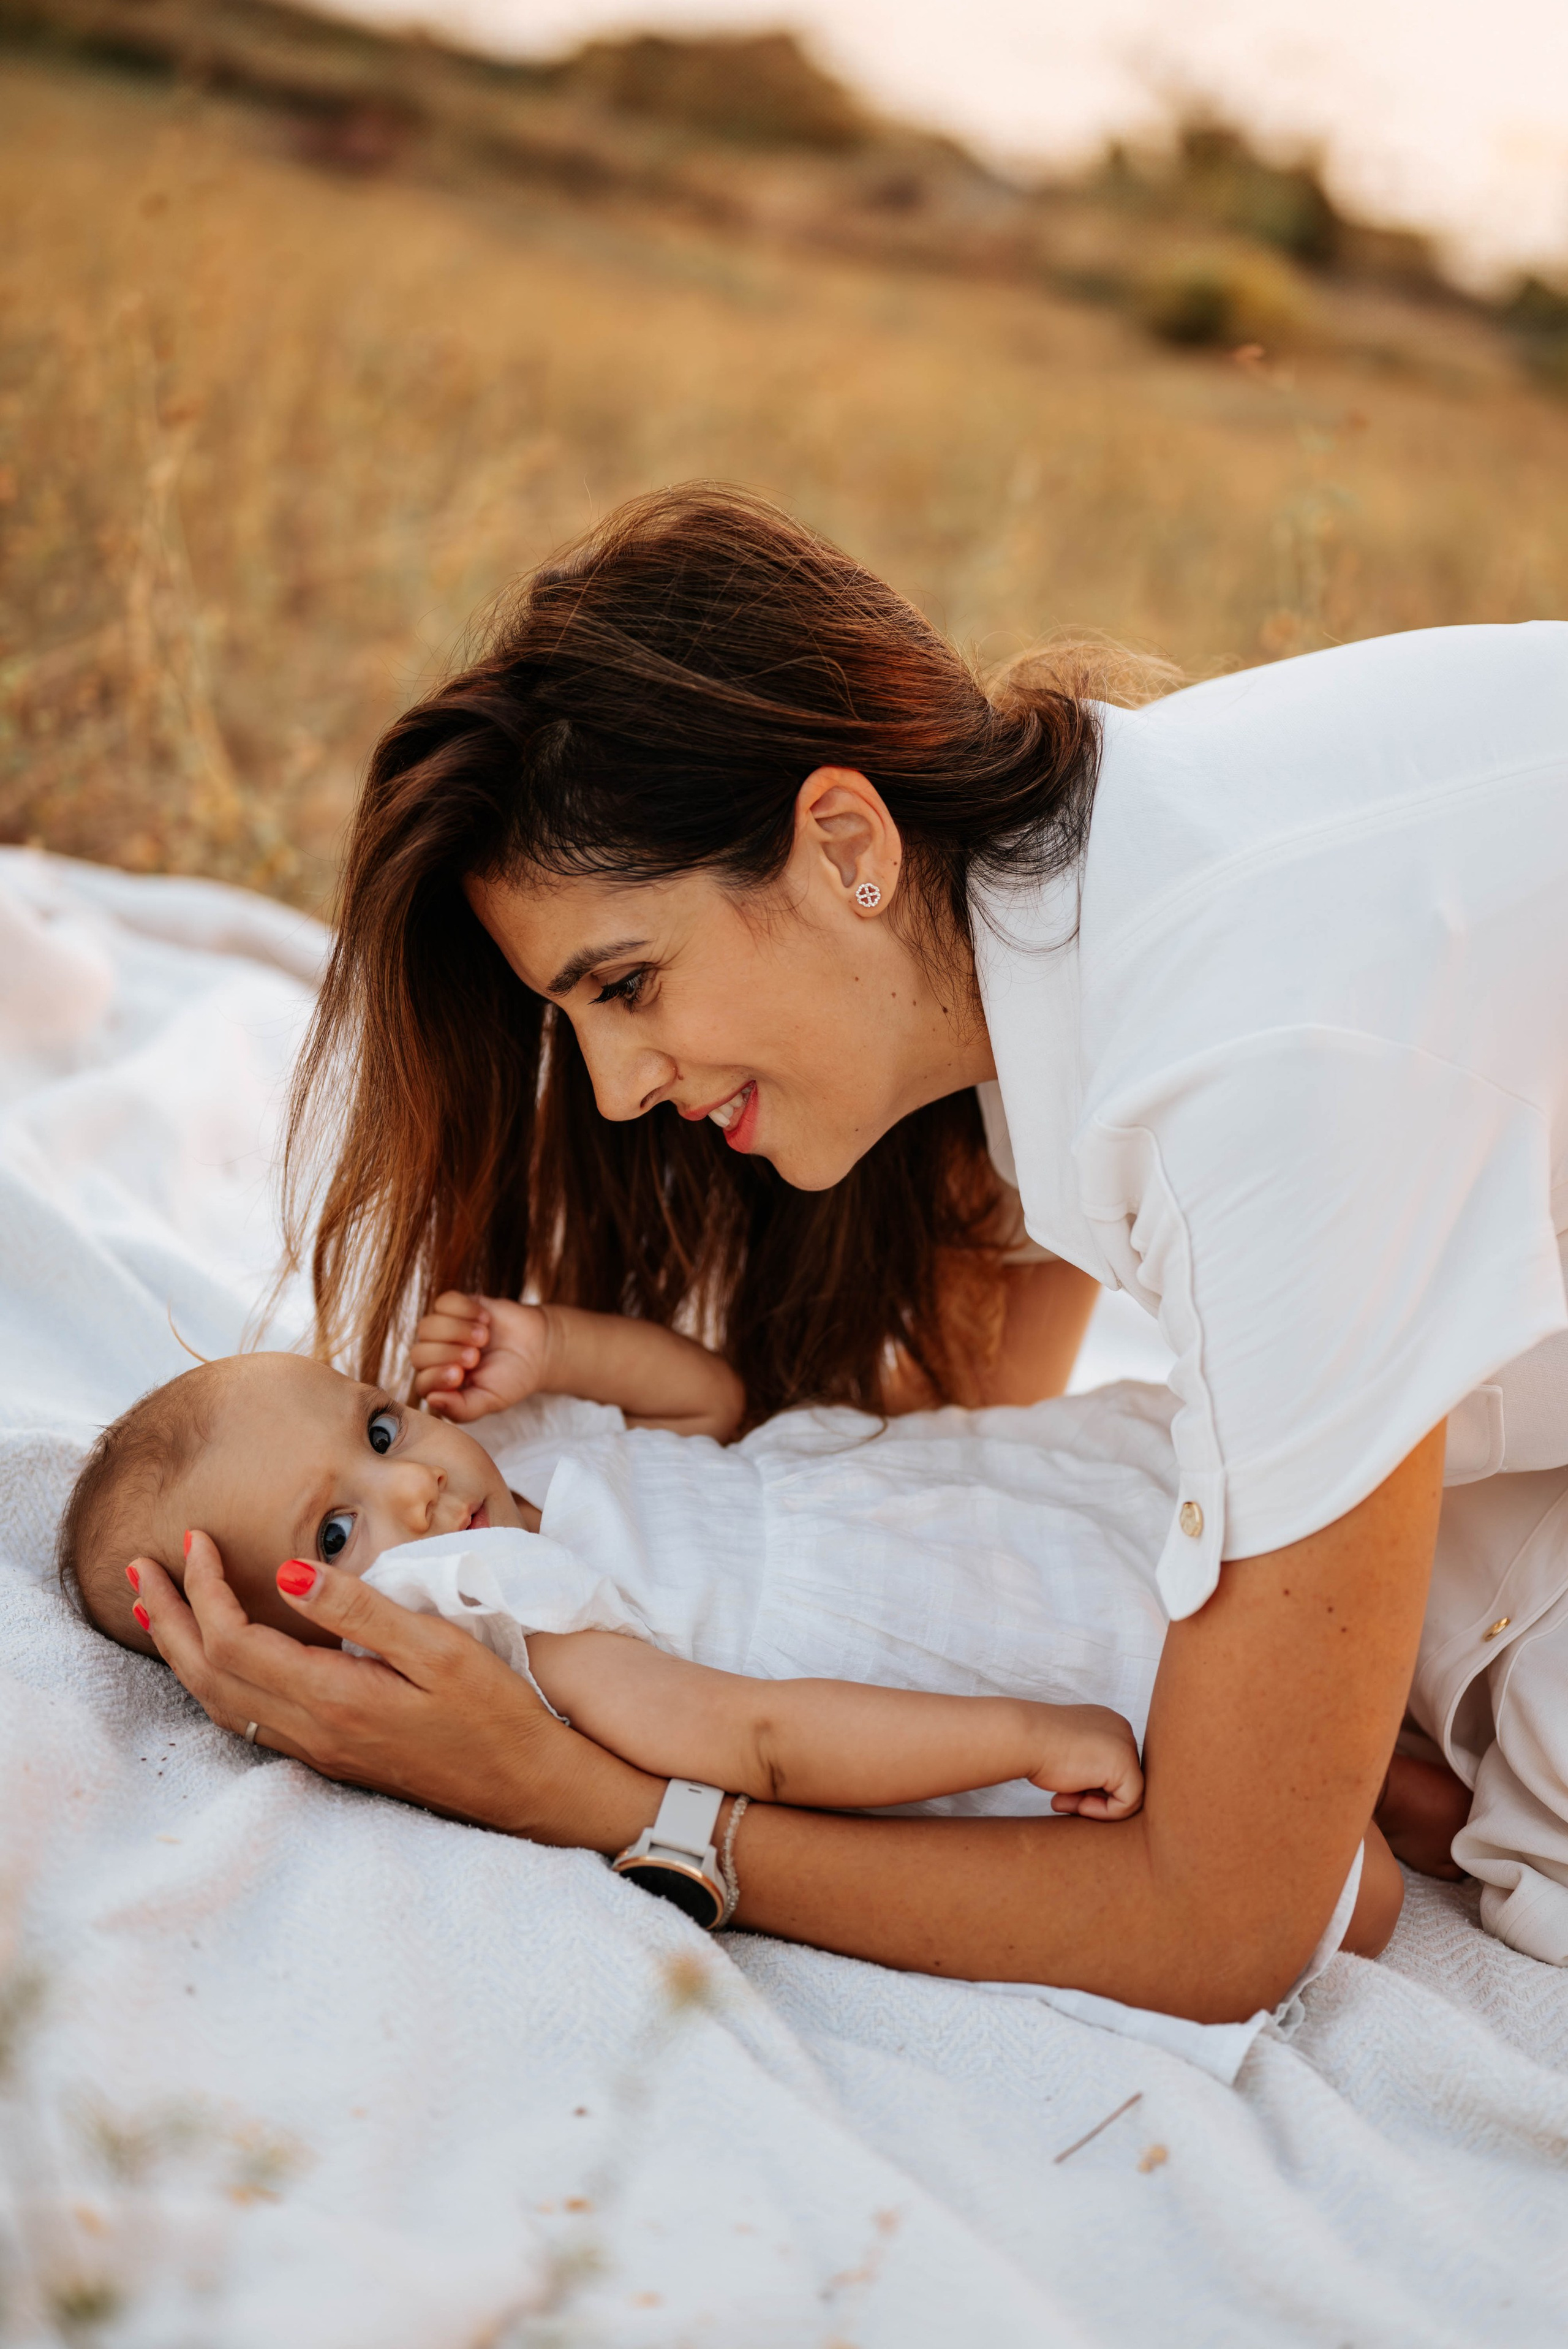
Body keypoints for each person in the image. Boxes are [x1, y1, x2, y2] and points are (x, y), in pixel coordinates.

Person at [127, 486, 1568, 2023]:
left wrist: (591, 1797)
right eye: (577, 1022)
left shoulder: (1240, 1077)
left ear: (843, 841)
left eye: (630, 984)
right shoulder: (1077, 889)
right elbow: (949, 1433)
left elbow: (1225, 1927)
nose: (618, 1090)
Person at [66, 1297, 1403, 1958]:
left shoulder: (504, 1452)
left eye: (373, 1426)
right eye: (339, 1533)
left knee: (1270, 1549)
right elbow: (760, 1742)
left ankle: (1391, 1711)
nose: (410, 1477)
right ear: (329, 1639)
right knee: (1256, 1738)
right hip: (949, 1636)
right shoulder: (525, 1620)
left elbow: (709, 1402)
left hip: (954, 1499)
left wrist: (557, 1346)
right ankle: (1392, 1779)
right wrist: (1018, 1728)